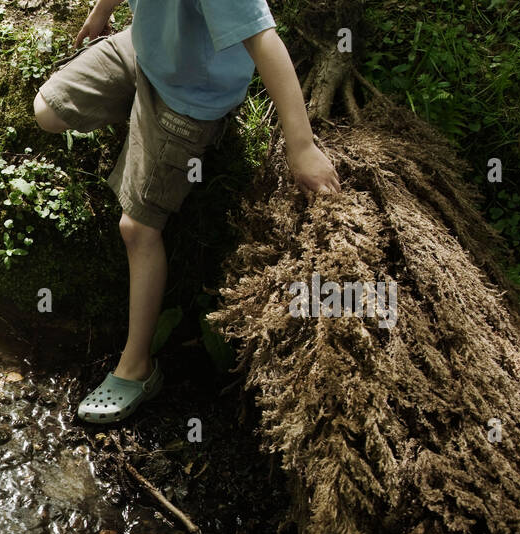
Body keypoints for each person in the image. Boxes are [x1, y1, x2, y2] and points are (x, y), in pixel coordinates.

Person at [33, 0, 340, 422]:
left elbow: (265, 40)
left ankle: (137, 366)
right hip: (144, 51)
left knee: (136, 228)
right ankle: (141, 116)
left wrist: (301, 147)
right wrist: (102, 13)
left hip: (191, 95)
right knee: (47, 111)